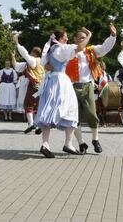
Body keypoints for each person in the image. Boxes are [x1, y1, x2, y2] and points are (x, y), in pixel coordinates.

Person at [66, 24, 117, 154]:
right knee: (74, 117)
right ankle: (81, 143)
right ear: (75, 39)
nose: (84, 39)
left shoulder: (91, 50)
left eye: (85, 37)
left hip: (88, 85)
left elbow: (105, 48)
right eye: (81, 37)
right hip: (71, 86)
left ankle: (95, 139)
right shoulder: (70, 49)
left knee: (92, 114)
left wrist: (112, 36)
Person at [35, 29, 81, 158]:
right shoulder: (60, 49)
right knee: (71, 108)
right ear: (60, 38)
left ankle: (46, 144)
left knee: (48, 109)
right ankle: (68, 143)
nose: (67, 39)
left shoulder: (50, 49)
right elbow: (79, 48)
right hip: (60, 81)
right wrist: (88, 35)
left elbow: (45, 64)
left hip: (50, 80)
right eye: (65, 37)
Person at [14, 34, 44, 134]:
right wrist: (13, 58)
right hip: (42, 87)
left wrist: (17, 43)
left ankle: (31, 124)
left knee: (28, 105)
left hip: (34, 85)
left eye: (31, 52)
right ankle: (37, 126)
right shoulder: (43, 61)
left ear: (34, 53)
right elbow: (17, 66)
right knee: (37, 106)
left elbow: (25, 55)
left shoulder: (33, 61)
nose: (30, 55)